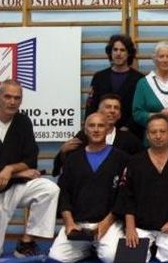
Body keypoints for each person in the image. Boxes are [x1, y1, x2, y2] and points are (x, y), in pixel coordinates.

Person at [0, 80, 59, 259]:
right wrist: (17, 172)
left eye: (17, 98)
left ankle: (26, 242)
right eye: (8, 96)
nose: (12, 102)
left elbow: (31, 158)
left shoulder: (23, 121)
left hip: (14, 187)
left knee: (49, 189)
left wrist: (10, 169)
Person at [114, 115, 168, 263]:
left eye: (162, 131)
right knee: (130, 260)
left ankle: (156, 247)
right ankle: (151, 246)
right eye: (153, 132)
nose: (158, 136)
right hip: (141, 225)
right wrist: (130, 227)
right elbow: (127, 197)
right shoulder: (135, 161)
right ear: (147, 134)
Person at [49, 112, 128, 263]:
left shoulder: (121, 158)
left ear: (107, 129)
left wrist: (106, 223)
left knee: (112, 257)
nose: (96, 129)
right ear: (85, 130)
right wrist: (69, 222)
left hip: (108, 222)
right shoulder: (72, 159)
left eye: (101, 125)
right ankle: (88, 248)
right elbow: (64, 192)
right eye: (91, 126)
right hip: (79, 223)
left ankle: (96, 246)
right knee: (57, 257)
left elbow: (123, 196)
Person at [53, 94, 141, 176]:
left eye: (116, 108)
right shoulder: (84, 135)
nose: (112, 111)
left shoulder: (130, 139)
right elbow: (65, 167)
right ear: (98, 111)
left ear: (120, 115)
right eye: (108, 107)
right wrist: (63, 152)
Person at [84, 34, 145, 135]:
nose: (118, 53)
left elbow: (140, 109)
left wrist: (127, 128)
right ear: (110, 52)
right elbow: (91, 107)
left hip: (130, 134)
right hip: (100, 133)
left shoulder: (139, 79)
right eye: (115, 49)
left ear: (129, 53)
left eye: (122, 50)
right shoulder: (99, 77)